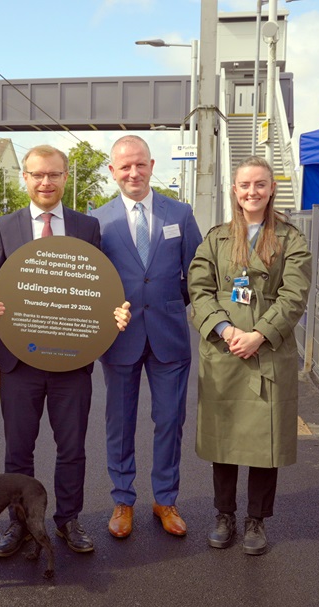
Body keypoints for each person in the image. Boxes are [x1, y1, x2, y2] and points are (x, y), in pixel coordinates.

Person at [0, 144, 131, 555]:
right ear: (24, 179)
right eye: (37, 175)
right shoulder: (5, 225)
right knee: (18, 450)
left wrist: (114, 313)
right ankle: (21, 524)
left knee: (72, 448)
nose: (45, 182)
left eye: (53, 174)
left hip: (71, 357)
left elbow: (99, 287)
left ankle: (68, 519)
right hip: (19, 359)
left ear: (66, 177)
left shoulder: (86, 228)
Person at [187, 154, 311, 555]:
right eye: (245, 185)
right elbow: (198, 288)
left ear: (272, 188)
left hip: (267, 351)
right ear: (235, 192)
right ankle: (224, 514)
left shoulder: (292, 239)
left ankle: (256, 520)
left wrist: (259, 334)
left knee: (264, 440)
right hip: (224, 350)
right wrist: (226, 329)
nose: (252, 192)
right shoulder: (216, 237)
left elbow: (295, 295)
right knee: (223, 438)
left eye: (260, 184)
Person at [92, 135, 203, 540]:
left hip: (169, 336)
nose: (133, 173)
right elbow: (91, 283)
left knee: (170, 420)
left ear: (152, 165)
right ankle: (123, 499)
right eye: (124, 167)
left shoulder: (181, 213)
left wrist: (171, 302)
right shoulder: (98, 220)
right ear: (113, 172)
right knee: (119, 423)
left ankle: (165, 500)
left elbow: (198, 273)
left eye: (140, 164)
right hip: (119, 339)